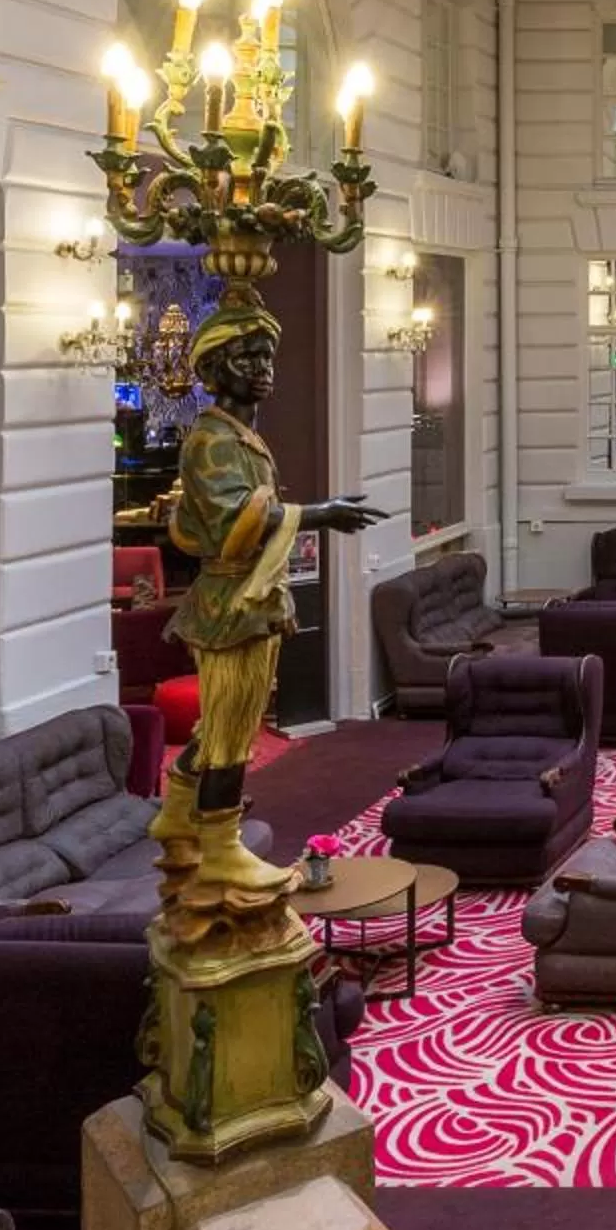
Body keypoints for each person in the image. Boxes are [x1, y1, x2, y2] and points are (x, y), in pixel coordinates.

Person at [153, 296, 385, 948]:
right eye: (245, 357)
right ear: (213, 369)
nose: (262, 367)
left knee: (227, 724)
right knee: (229, 733)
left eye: (265, 356)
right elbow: (234, 521)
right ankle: (220, 844)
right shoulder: (210, 438)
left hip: (249, 603)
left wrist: (309, 513)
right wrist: (318, 514)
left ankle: (176, 819)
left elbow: (250, 510)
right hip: (231, 608)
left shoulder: (237, 435)